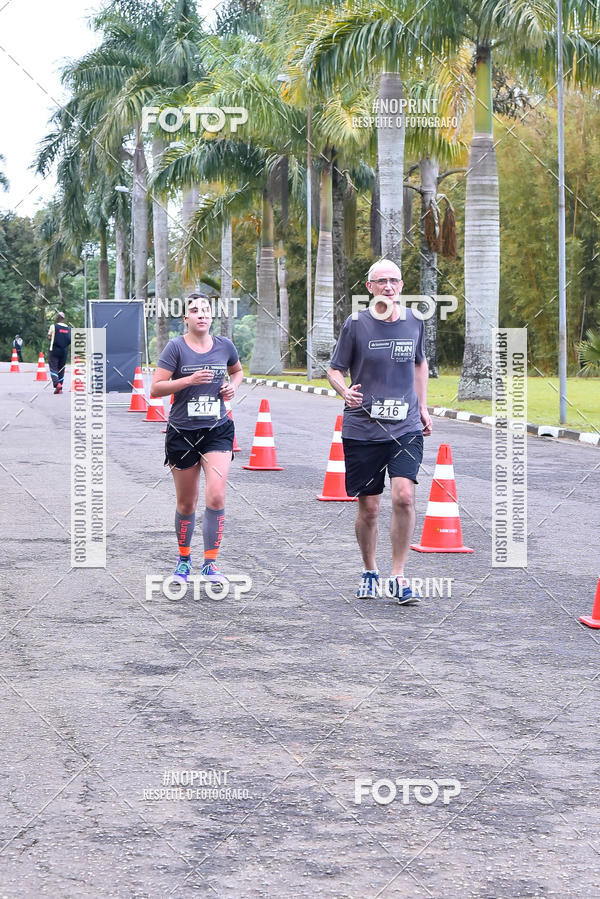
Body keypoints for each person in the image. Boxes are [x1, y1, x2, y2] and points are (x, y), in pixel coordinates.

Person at [327, 259, 433, 603]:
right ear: (370, 287)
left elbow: (420, 362)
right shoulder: (356, 324)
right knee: (369, 509)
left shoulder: (414, 321)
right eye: (381, 281)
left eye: (394, 281)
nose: (388, 286)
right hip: (362, 428)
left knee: (404, 495)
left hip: (405, 426)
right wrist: (344, 391)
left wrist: (421, 407)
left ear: (401, 286)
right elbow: (335, 369)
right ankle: (370, 570)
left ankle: (399, 575)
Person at [151, 294, 244, 584]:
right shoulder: (175, 348)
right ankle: (183, 559)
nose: (201, 314)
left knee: (216, 494)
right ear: (186, 319)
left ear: (211, 316)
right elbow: (156, 389)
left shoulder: (224, 346)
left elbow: (237, 371)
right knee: (186, 503)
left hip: (217, 429)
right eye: (194, 310)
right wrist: (188, 381)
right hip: (182, 432)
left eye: (206, 310)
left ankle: (211, 564)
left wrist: (232, 386)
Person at [47, 313, 71, 394]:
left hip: (54, 350)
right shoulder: (68, 328)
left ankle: (57, 384)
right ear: (63, 319)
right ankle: (60, 387)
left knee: (53, 367)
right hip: (64, 351)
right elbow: (69, 340)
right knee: (61, 369)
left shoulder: (53, 326)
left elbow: (49, 336)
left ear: (57, 318)